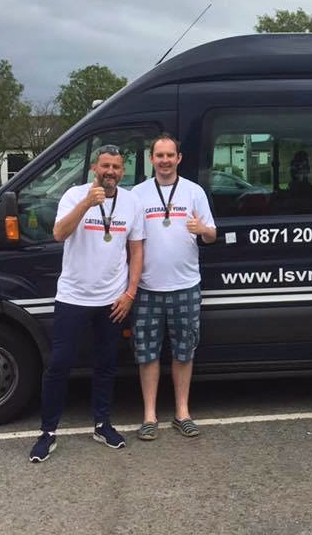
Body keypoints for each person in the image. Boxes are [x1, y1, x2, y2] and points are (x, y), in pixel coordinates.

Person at [29, 144, 144, 463]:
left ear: (122, 171)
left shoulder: (131, 202)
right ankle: (48, 432)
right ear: (95, 168)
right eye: (105, 166)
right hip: (73, 297)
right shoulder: (74, 195)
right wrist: (85, 204)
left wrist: (130, 293)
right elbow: (58, 233)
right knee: (59, 365)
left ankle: (102, 424)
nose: (110, 172)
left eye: (116, 167)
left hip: (113, 299)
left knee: (106, 365)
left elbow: (136, 250)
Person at [130, 134, 216, 440]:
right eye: (159, 155)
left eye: (170, 155)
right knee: (147, 354)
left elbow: (212, 235)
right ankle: (149, 416)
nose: (164, 160)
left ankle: (182, 413)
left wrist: (202, 229)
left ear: (179, 158)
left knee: (184, 352)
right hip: (147, 287)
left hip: (185, 285)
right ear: (151, 159)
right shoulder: (137, 194)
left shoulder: (194, 192)